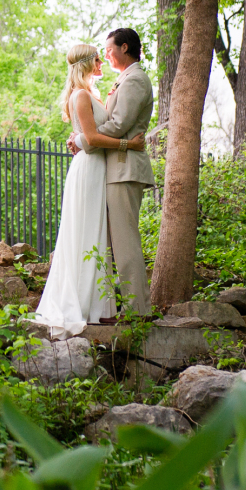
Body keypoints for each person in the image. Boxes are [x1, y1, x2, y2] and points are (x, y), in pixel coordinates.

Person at [35, 44, 145, 339]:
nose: (102, 61)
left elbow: (88, 135)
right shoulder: (81, 95)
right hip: (88, 169)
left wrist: (79, 138)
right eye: (98, 58)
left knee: (98, 235)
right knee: (85, 233)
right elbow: (94, 138)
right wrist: (128, 145)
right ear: (86, 64)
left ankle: (101, 308)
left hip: (100, 169)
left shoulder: (93, 94)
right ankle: (85, 306)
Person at [94, 27, 155, 318]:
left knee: (125, 241)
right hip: (115, 168)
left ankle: (137, 311)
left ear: (125, 48)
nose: (106, 55)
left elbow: (119, 124)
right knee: (112, 241)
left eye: (109, 49)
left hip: (125, 168)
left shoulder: (135, 80)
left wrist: (86, 136)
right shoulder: (124, 80)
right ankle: (116, 304)